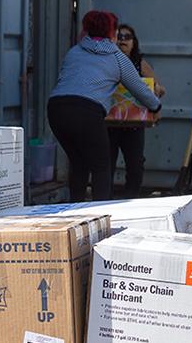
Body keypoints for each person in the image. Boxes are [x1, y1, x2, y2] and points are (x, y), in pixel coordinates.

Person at [47, 11, 161, 202]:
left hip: (57, 110)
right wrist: (156, 107)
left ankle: (74, 211)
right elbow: (139, 89)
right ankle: (102, 214)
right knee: (101, 167)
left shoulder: (74, 51)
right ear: (113, 32)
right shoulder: (116, 57)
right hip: (87, 112)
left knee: (78, 162)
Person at [108, 23, 166, 197]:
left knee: (135, 163)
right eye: (119, 37)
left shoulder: (140, 63)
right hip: (109, 122)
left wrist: (155, 89)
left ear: (134, 42)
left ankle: (132, 197)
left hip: (134, 123)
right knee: (106, 162)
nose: (122, 41)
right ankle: (104, 198)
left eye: (127, 37)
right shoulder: (107, 61)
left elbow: (160, 89)